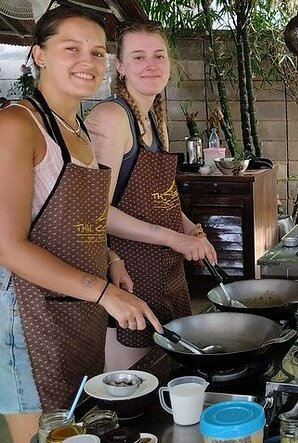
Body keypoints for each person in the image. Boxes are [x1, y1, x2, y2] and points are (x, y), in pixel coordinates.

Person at [0, 5, 162, 443]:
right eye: (71, 48)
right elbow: (7, 246)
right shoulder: (17, 124)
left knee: (77, 429)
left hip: (77, 305)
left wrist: (109, 257)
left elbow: (80, 219)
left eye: (96, 52)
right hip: (28, 313)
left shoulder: (78, 129)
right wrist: (106, 293)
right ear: (39, 55)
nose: (87, 61)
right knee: (43, 437)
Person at [85, 21, 217, 370]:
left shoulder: (153, 118)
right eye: (139, 56)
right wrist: (173, 237)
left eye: (159, 55)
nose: (151, 64)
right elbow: (96, 213)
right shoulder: (112, 117)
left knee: (165, 372)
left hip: (164, 272)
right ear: (121, 66)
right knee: (131, 388)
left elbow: (164, 196)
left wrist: (190, 229)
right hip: (126, 273)